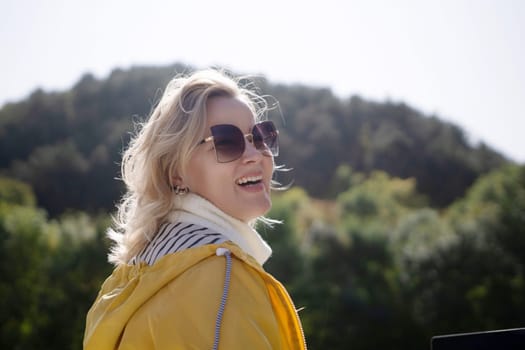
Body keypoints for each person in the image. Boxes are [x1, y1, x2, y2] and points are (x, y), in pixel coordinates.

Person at [83, 69, 306, 349]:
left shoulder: (134, 279)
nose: (254, 155)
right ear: (176, 172)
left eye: (260, 137)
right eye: (226, 142)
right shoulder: (223, 280)